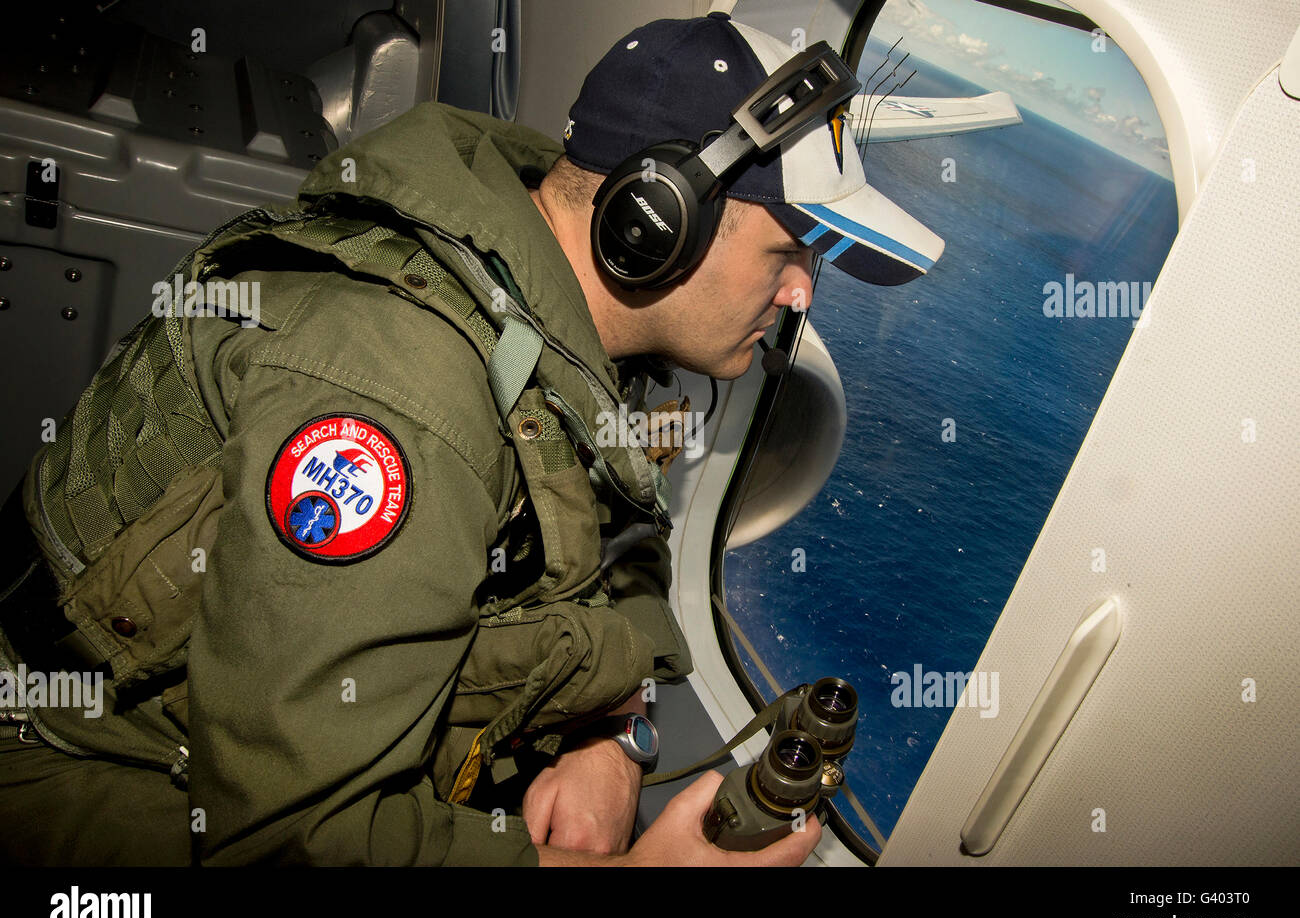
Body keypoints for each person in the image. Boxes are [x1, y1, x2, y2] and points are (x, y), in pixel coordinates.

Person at [0, 13, 941, 866]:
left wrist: (612, 737)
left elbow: (621, 538)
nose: (802, 294)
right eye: (789, 252)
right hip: (75, 759)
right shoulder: (397, 402)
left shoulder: (572, 330)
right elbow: (293, 841)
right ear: (657, 220)